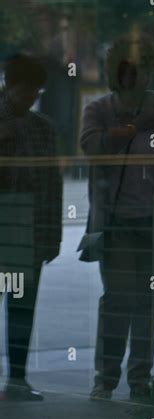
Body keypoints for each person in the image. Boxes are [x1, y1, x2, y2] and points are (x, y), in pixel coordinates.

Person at [80, 34, 154, 402]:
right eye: (127, 71)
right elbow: (93, 146)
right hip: (116, 222)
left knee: (148, 301)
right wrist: (135, 127)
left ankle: (138, 380)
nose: (135, 77)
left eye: (140, 70)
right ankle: (106, 378)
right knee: (117, 299)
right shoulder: (100, 110)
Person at [0, 54, 62, 401]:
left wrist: (52, 236)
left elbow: (52, 185)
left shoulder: (42, 128)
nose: (31, 98)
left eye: (36, 92)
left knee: (22, 308)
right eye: (26, 90)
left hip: (30, 228)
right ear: (10, 85)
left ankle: (18, 379)